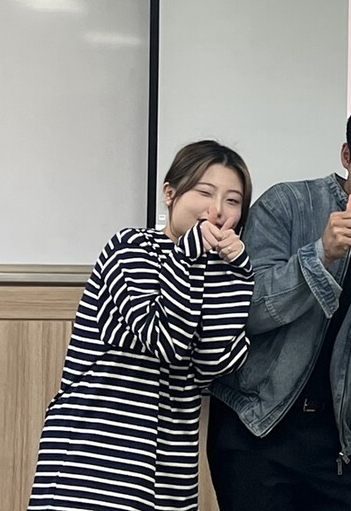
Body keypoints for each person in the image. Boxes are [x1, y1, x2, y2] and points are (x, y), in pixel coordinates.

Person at [207, 100, 351, 511]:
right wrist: (320, 254)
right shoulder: (287, 204)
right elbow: (247, 311)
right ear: (347, 156)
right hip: (254, 425)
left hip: (334, 439)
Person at [29, 140, 255, 511]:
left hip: (171, 467)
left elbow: (214, 362)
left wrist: (237, 272)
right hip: (93, 454)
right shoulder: (131, 248)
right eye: (204, 192)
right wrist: (188, 256)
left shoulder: (220, 271)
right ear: (170, 193)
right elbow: (165, 339)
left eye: (232, 200)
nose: (217, 209)